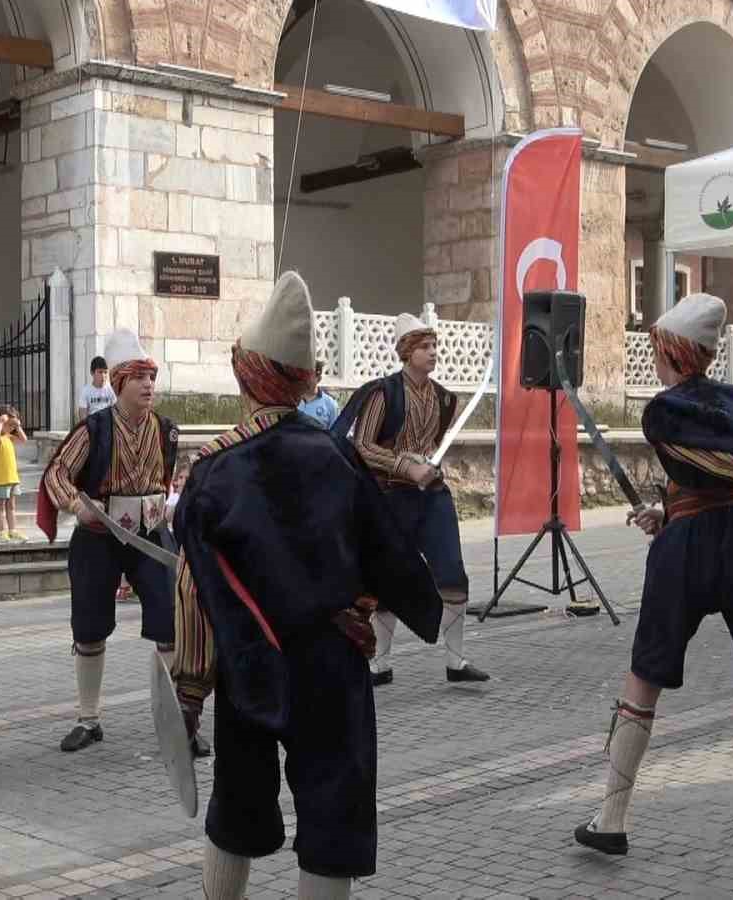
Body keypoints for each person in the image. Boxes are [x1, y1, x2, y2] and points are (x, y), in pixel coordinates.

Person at [171, 271, 443, 900]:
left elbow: (194, 592)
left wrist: (187, 694)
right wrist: (367, 610)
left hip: (250, 667)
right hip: (333, 665)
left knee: (236, 809)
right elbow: (382, 552)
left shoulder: (213, 471)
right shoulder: (338, 457)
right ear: (299, 380)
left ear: (248, 376)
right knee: (331, 816)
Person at [568, 293, 733, 896]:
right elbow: (726, 478)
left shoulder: (663, 411)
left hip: (693, 552)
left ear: (671, 351)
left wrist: (679, 516)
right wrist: (668, 508)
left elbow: (704, 474)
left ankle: (612, 819)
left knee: (644, 678)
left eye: (655, 349)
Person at [38, 329, 189, 754]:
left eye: (152, 377)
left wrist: (170, 505)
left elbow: (167, 480)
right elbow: (56, 474)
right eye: (139, 377)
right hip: (99, 537)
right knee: (89, 626)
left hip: (151, 538)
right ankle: (89, 720)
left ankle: (178, 722)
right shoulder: (93, 430)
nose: (148, 386)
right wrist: (76, 506)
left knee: (171, 621)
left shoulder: (167, 431)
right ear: (120, 382)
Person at [332, 314, 489, 686]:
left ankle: (456, 660)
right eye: (424, 347)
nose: (433, 353)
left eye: (434, 346)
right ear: (407, 352)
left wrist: (427, 467)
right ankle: (379, 664)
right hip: (389, 498)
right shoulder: (383, 394)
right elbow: (363, 445)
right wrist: (405, 465)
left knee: (452, 574)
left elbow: (432, 446)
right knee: (388, 580)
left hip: (431, 498)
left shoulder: (444, 398)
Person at [0, 404, 28, 542]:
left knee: (11, 506)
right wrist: (0, 423)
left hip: (12, 478)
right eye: (9, 424)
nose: (11, 428)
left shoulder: (10, 437)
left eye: (13, 426)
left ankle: (13, 530)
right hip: (1, 478)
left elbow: (24, 440)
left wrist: (18, 426)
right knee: (0, 505)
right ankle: (1, 532)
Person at [296, 361, 339, 428]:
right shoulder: (293, 400)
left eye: (308, 376)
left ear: (318, 379)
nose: (304, 379)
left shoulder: (330, 404)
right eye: (303, 375)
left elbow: (335, 434)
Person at [77, 355, 115, 423]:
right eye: (100, 372)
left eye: (105, 372)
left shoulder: (110, 389)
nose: (103, 376)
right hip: (93, 424)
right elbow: (82, 412)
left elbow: (116, 410)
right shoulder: (86, 391)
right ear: (92, 373)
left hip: (107, 423)